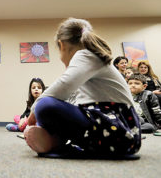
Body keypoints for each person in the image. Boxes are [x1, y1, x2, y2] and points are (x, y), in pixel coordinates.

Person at [24, 18, 141, 157]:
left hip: (118, 131)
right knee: (56, 106)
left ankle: (55, 141)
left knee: (44, 105)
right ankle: (56, 140)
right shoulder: (93, 60)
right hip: (120, 135)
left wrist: (33, 113)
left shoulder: (85, 54)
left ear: (62, 45)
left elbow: (63, 86)